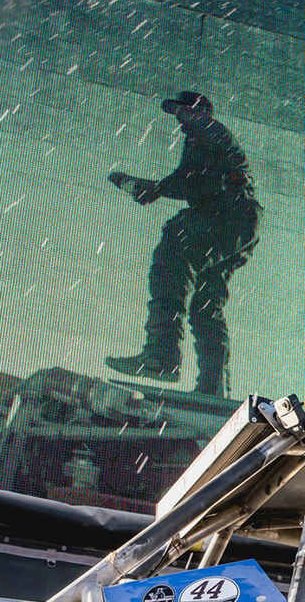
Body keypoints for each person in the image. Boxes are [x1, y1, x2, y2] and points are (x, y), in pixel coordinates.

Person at [105, 91, 262, 397]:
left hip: (222, 214)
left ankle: (161, 355)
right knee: (206, 305)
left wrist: (156, 189)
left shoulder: (208, 130)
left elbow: (194, 178)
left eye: (182, 111)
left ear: (199, 111)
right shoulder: (206, 140)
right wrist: (153, 188)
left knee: (172, 259)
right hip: (239, 223)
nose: (180, 119)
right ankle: (214, 386)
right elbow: (189, 178)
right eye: (177, 113)